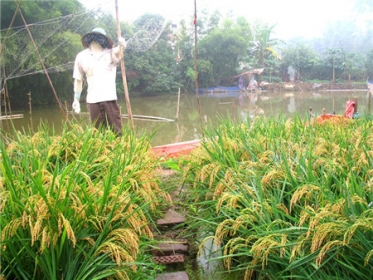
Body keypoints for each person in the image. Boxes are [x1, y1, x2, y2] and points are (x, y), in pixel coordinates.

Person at [72, 27, 126, 136]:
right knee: (97, 134)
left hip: (109, 98)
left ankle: (121, 152)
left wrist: (122, 45)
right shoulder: (81, 57)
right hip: (93, 100)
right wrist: (76, 99)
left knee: (116, 132)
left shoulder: (110, 53)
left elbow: (119, 50)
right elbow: (78, 80)